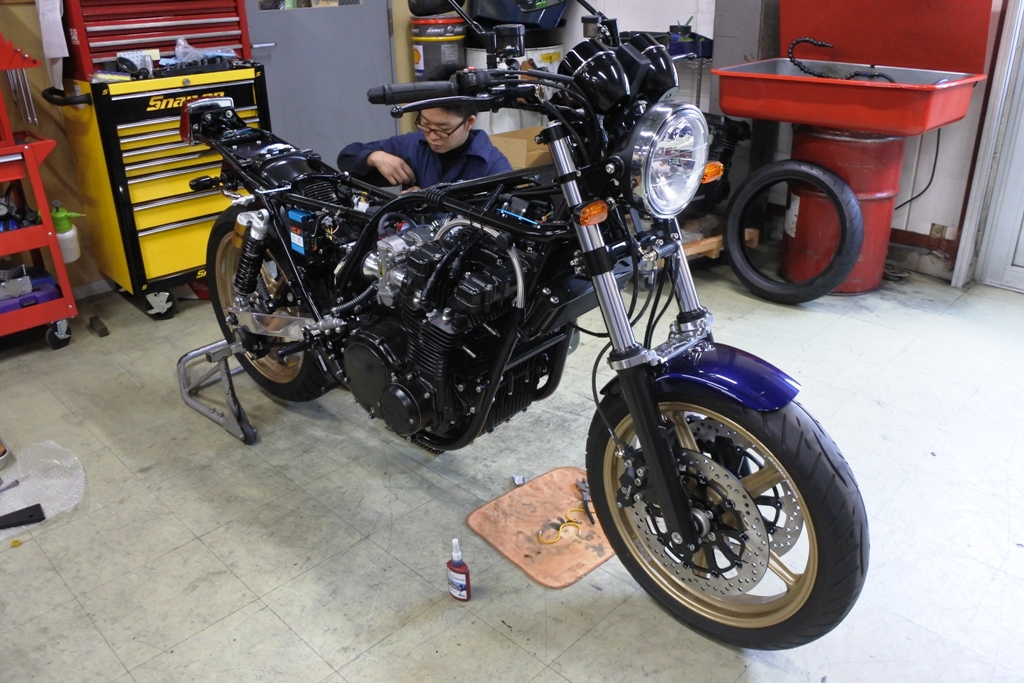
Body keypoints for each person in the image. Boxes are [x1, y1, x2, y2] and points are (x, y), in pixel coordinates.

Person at [337, 103, 511, 191]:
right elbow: (347, 158)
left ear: (469, 123)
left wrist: (422, 203)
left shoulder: (493, 167)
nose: (432, 136)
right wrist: (374, 157)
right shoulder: (413, 145)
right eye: (425, 125)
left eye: (443, 129)